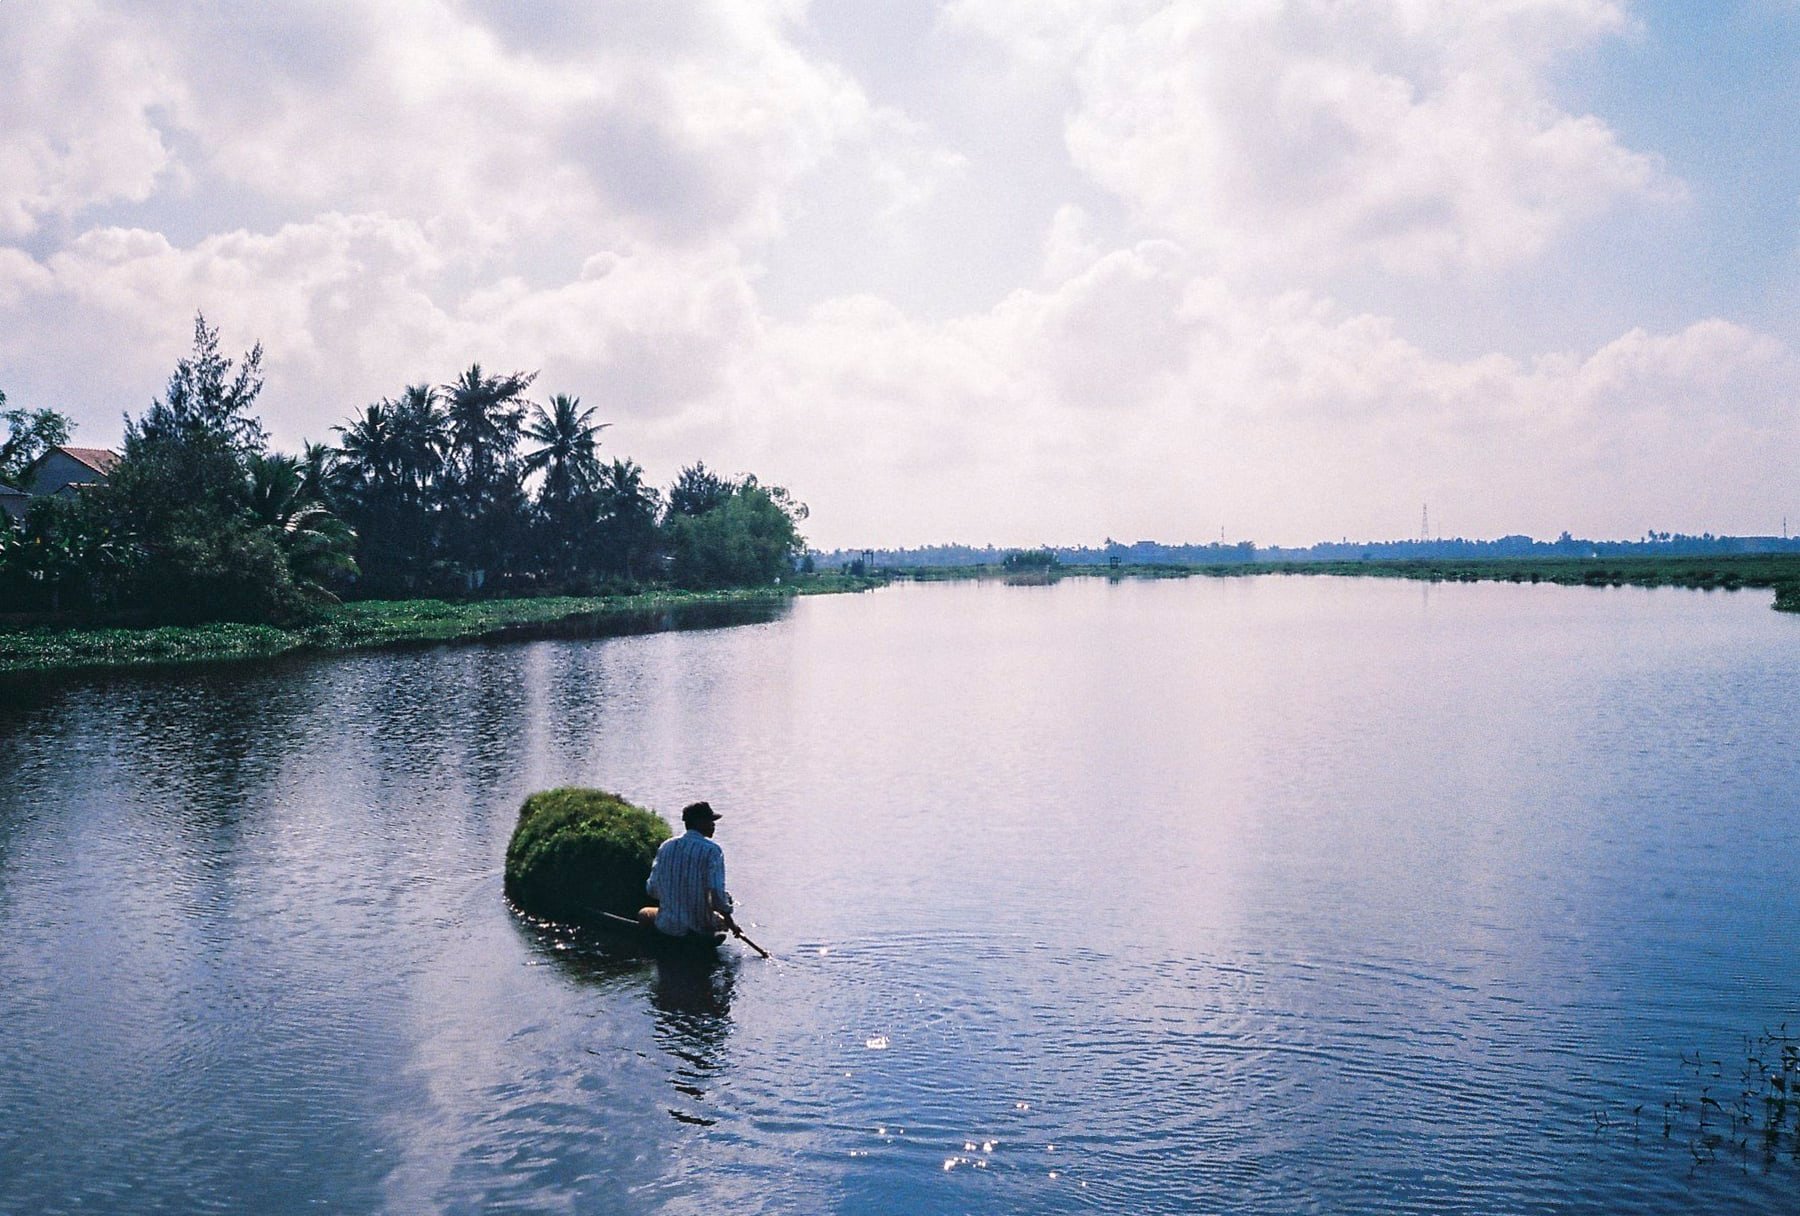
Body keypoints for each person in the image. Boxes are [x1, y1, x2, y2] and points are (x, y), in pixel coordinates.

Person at [639, 801, 736, 938]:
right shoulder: (712, 850)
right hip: (699, 927)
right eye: (710, 821)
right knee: (721, 915)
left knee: (644, 913)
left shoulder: (666, 846)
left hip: (668, 926)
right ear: (699, 822)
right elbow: (716, 893)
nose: (713, 825)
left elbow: (652, 889)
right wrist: (730, 921)